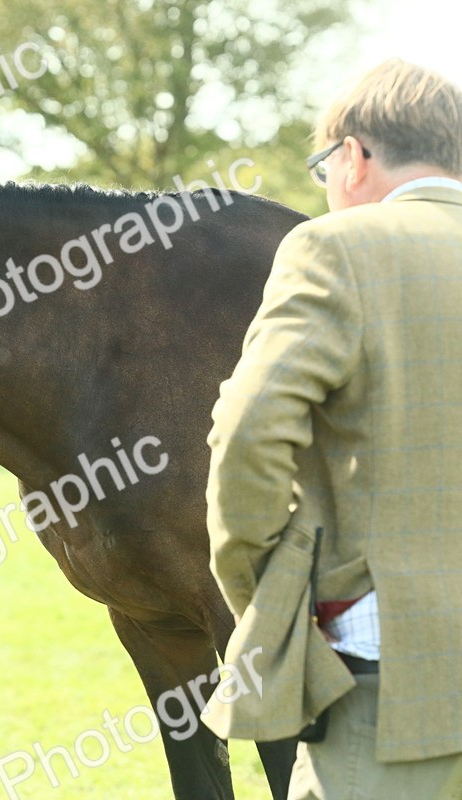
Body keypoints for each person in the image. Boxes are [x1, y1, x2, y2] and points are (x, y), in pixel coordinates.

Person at [204, 59, 462, 798]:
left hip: (392, 680)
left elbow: (250, 432)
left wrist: (266, 595)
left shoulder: (334, 249)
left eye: (323, 165)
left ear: (353, 156)